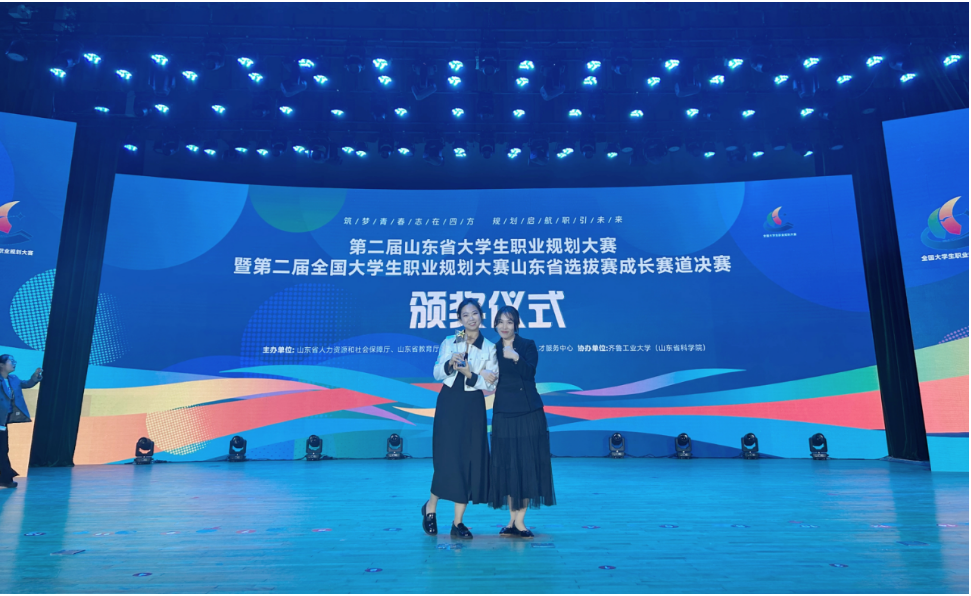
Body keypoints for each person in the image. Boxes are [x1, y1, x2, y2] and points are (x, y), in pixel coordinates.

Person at [421, 298, 498, 539]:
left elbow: (490, 383)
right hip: (449, 402)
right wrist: (450, 364)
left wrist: (471, 373)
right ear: (460, 319)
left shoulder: (490, 347)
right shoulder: (451, 340)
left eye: (474, 313)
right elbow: (436, 372)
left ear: (481, 316)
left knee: (469, 459)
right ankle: (430, 507)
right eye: (465, 315)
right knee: (447, 458)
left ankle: (458, 522)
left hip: (473, 404)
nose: (471, 318)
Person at [488, 306, 556, 538]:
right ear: (495, 325)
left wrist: (516, 357)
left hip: (528, 412)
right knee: (507, 465)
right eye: (500, 322)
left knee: (527, 464)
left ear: (516, 324)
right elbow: (488, 378)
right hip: (503, 412)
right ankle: (511, 520)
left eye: (509, 322)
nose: (504, 326)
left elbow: (530, 373)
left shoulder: (527, 345)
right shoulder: (492, 349)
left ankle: (520, 521)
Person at [0, 354, 41, 489]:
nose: (14, 363)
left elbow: (27, 384)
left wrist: (35, 376)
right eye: (10, 361)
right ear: (1, 365)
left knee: (3, 450)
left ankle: (5, 478)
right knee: (2, 450)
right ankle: (6, 478)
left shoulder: (14, 379)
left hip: (3, 422)